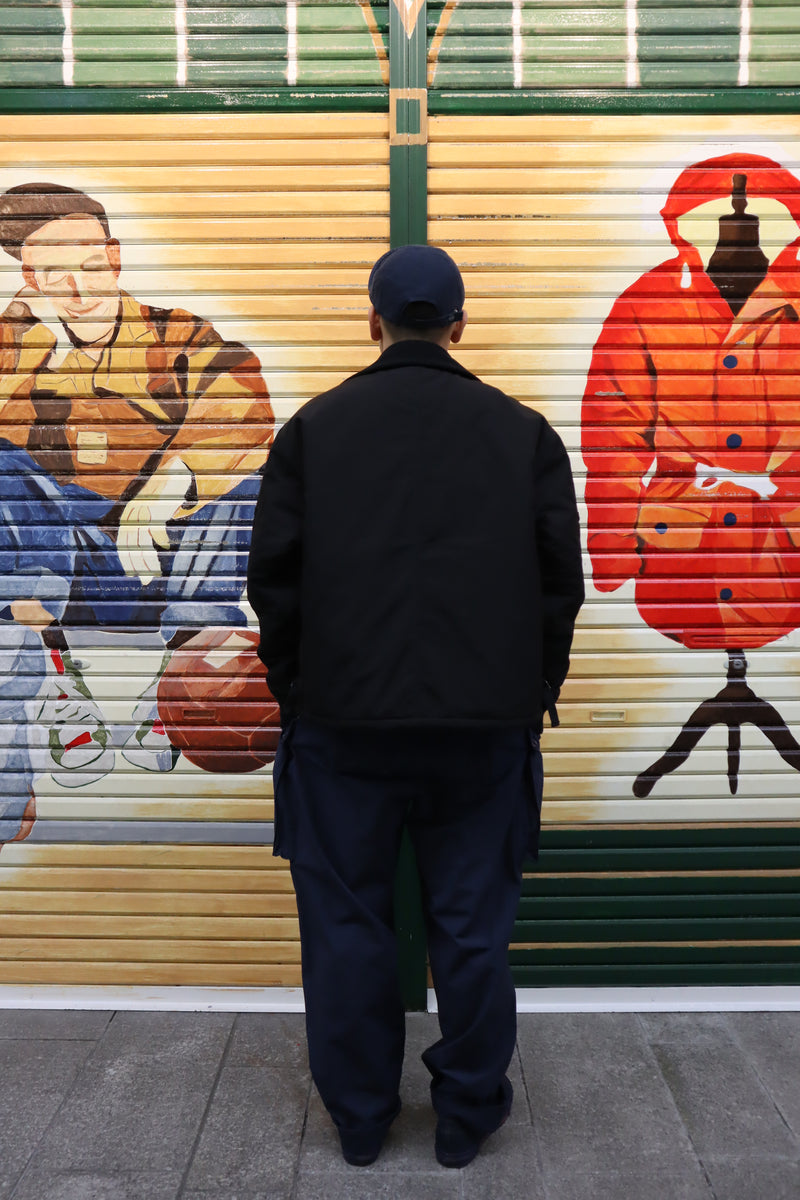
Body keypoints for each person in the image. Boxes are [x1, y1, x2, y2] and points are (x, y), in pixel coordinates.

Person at [247, 244, 584, 1169]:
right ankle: (467, 1119)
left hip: (341, 730)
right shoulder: (523, 434)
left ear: (373, 322)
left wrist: (300, 692)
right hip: (484, 735)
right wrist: (528, 694)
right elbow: (563, 586)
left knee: (347, 927)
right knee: (473, 931)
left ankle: (360, 1119)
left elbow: (270, 583)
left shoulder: (315, 430)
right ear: (460, 326)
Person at [0, 183, 273, 835]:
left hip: (168, 566)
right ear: (28, 276)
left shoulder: (178, 335)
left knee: (250, 477)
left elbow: (242, 403)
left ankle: (187, 677)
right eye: (52, 271)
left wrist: (168, 480)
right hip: (60, 573)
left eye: (90, 263)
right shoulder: (11, 346)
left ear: (115, 257)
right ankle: (57, 673)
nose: (77, 286)